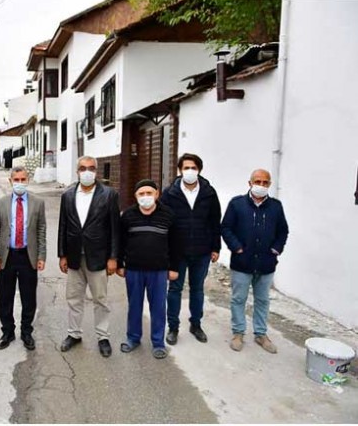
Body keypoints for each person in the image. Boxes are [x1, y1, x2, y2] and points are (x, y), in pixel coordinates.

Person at [58, 156, 120, 357]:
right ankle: (74, 334)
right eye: (83, 168)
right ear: (77, 171)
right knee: (74, 299)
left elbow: (114, 229)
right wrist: (62, 255)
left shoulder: (109, 195)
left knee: (100, 299)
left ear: (97, 171)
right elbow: (63, 227)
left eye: (91, 168)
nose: (87, 172)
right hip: (75, 256)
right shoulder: (67, 195)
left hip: (99, 256)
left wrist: (113, 257)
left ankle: (103, 336)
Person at [221, 169, 289, 353]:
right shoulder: (237, 204)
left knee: (262, 300)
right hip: (242, 262)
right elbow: (226, 228)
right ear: (249, 183)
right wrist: (237, 248)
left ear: (269, 185)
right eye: (257, 181)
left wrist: (276, 249)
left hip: (266, 263)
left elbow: (283, 231)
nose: (261, 185)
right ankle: (238, 332)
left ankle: (260, 333)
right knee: (238, 298)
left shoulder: (275, 206)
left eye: (265, 182)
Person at [160, 153, 221, 345]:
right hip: (177, 252)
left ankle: (196, 324)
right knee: (175, 289)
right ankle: (173, 327)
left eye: (193, 168)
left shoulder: (209, 193)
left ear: (199, 170)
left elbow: (215, 221)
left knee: (197, 289)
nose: (190, 171)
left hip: (202, 250)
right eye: (186, 168)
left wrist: (215, 247)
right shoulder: (170, 193)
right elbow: (163, 222)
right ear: (180, 170)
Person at [117, 180, 179, 359]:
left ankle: (158, 342)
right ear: (135, 196)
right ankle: (133, 338)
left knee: (158, 307)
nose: (145, 197)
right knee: (134, 306)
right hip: (134, 270)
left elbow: (175, 244)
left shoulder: (168, 215)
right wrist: (120, 264)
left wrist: (173, 268)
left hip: (159, 271)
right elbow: (121, 242)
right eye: (141, 194)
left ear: (157, 194)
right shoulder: (128, 215)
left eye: (149, 193)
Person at [0, 167, 46, 350]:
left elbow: (41, 230)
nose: (20, 183)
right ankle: (7, 331)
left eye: (23, 179)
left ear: (28, 180)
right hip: (8, 256)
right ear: (10, 180)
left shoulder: (38, 202)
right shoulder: (1, 203)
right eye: (16, 179)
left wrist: (41, 255)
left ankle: (26, 331)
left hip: (28, 256)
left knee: (29, 297)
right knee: (5, 296)